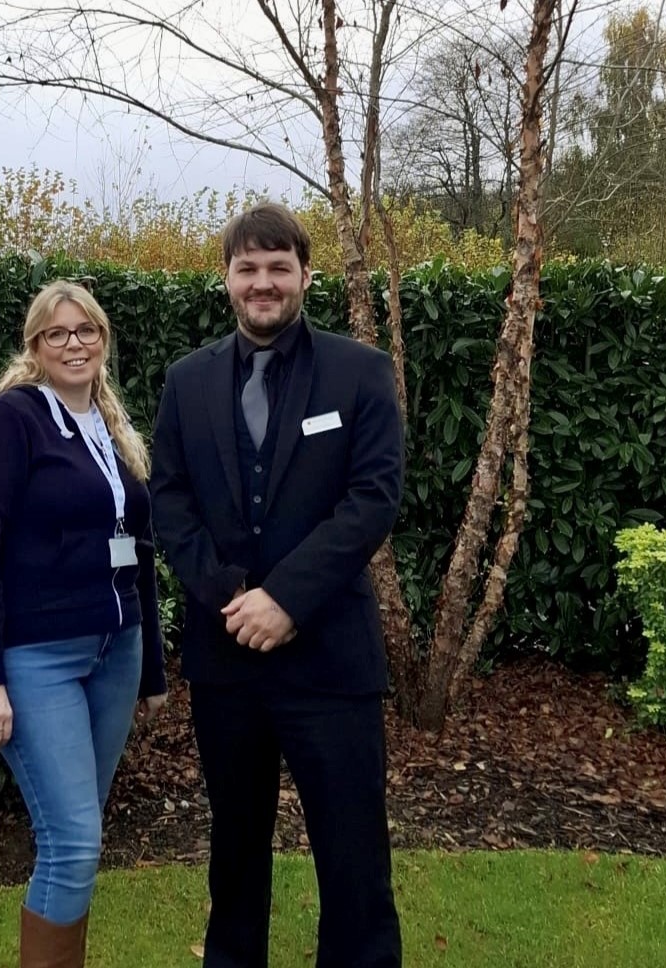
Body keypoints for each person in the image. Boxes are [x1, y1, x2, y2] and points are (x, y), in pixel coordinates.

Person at [149, 203, 404, 968]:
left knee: (354, 856)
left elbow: (373, 498)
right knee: (234, 853)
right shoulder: (186, 381)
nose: (263, 284)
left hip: (330, 658)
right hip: (227, 661)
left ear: (305, 276)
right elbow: (169, 501)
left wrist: (287, 598)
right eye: (247, 268)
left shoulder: (359, 372)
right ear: (226, 278)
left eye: (278, 268)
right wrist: (233, 597)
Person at [0, 280, 168, 968]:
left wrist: (154, 669)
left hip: (116, 652)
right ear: (35, 347)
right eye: (57, 333)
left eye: (85, 331)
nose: (73, 343)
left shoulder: (110, 429)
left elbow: (140, 551)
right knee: (74, 841)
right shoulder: (12, 420)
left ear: (103, 339)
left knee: (76, 839)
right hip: (36, 657)